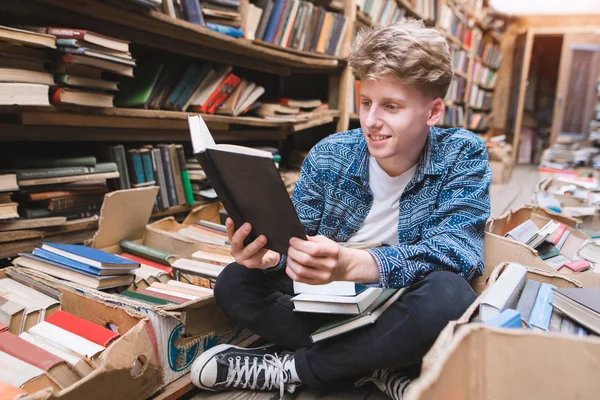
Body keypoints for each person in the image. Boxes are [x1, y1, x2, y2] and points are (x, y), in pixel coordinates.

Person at [190, 19, 491, 399]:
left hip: (402, 302)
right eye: (366, 103)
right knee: (235, 282)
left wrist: (356, 264)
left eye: (391, 107)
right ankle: (381, 360)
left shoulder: (462, 153)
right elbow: (294, 241)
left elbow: (460, 251)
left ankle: (295, 368)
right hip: (334, 303)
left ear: (432, 112)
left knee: (450, 298)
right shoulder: (330, 153)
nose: (371, 121)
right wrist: (268, 256)